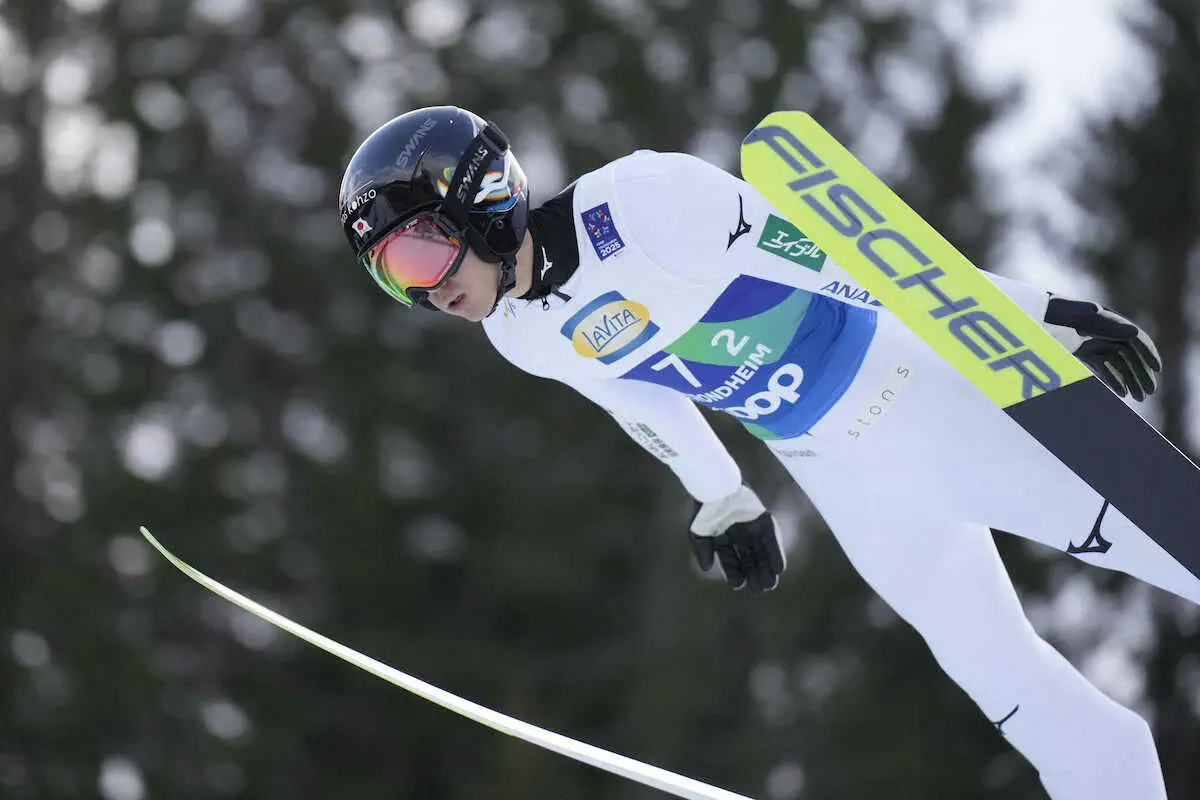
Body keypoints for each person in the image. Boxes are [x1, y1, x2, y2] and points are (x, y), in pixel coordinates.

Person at [338, 105, 1195, 799]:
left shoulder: (645, 205)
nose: (425, 290)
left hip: (926, 402)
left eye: (421, 251)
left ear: (483, 201)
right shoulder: (520, 334)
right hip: (850, 483)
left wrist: (1035, 317)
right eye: (391, 276)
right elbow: (636, 395)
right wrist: (722, 495)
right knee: (1022, 699)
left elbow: (854, 262)